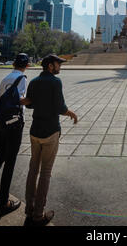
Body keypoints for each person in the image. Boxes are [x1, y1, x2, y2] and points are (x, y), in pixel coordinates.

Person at [24, 54, 78, 226]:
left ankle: (29, 209)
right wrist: (70, 113)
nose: (60, 67)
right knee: (45, 173)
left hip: (35, 132)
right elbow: (60, 107)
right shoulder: (55, 82)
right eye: (57, 64)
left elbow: (29, 104)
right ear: (49, 66)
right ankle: (39, 214)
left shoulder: (33, 82)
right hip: (50, 132)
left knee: (33, 169)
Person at [0, 53, 30, 217]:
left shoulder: (6, 78)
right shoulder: (22, 78)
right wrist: (32, 100)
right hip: (14, 127)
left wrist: (2, 117)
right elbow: (20, 100)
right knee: (9, 163)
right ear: (27, 65)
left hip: (1, 124)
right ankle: (4, 203)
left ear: (13, 64)